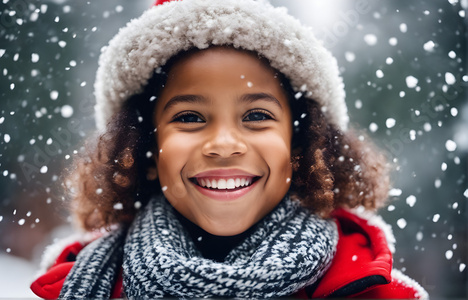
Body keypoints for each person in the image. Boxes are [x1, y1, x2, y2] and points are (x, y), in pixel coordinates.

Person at [30, 0, 429, 298]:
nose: (223, 145)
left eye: (256, 116)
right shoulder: (76, 286)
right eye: (189, 117)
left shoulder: (372, 292)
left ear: (300, 146)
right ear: (147, 151)